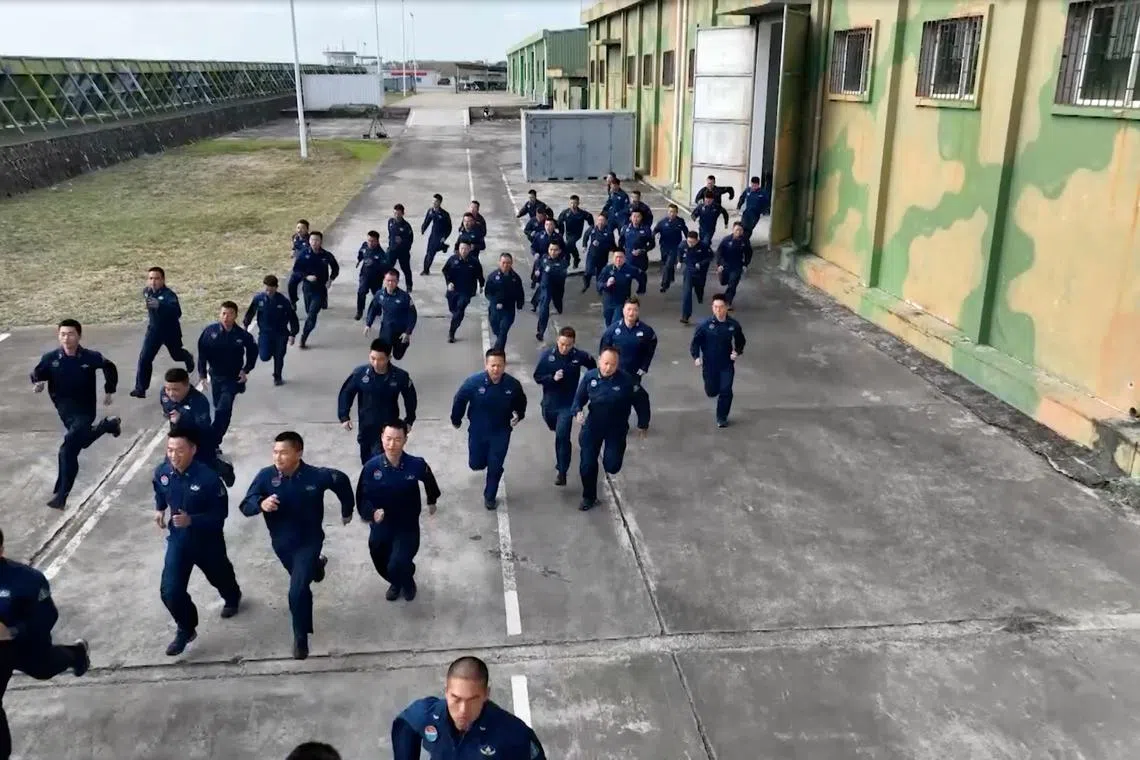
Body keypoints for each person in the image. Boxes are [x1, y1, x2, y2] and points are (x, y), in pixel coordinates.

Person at [239, 431, 354, 660]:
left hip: (309, 541)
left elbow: (340, 480)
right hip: (282, 544)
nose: (278, 457)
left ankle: (300, 636)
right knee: (302, 579)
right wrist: (261, 503)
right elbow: (245, 504)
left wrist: (347, 510)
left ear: (298, 453)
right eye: (275, 452)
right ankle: (316, 567)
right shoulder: (266, 477)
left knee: (297, 590)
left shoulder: (315, 476)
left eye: (284, 453)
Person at [0, 527, 90, 760]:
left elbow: (48, 616)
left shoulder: (27, 580)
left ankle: (76, 654)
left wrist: (12, 631)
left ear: (0, 550)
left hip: (25, 644)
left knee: (43, 669)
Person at [152, 427, 243, 656]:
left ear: (193, 450)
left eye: (179, 450)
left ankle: (232, 596)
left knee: (219, 575)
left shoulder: (209, 479)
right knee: (170, 591)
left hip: (207, 541)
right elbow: (160, 490)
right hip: (179, 540)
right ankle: (186, 627)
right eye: (170, 450)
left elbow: (220, 514)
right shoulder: (163, 472)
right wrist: (160, 509)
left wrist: (192, 520)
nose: (174, 455)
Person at [30, 319, 122, 510]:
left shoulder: (90, 357)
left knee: (68, 449)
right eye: (62, 334)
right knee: (82, 441)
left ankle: (62, 495)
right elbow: (37, 373)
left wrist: (109, 390)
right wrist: (38, 383)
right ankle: (108, 425)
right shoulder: (51, 358)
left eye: (70, 334)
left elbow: (109, 367)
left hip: (85, 410)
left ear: (79, 336)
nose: (66, 338)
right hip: (65, 411)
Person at [392, 656, 546, 760]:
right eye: (456, 698)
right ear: (446, 691)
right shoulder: (428, 716)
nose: (463, 710)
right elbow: (406, 725)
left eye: (472, 700)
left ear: (486, 694)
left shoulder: (513, 734)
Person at [355, 419, 441, 601]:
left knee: (397, 562)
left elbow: (429, 479)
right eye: (388, 439)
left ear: (405, 440)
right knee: (381, 560)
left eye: (397, 439)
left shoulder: (415, 464)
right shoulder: (372, 467)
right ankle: (400, 579)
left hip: (406, 525)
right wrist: (371, 513)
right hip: (381, 525)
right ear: (382, 438)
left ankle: (405, 582)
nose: (392, 444)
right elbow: (362, 496)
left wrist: (431, 499)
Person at [451, 349, 527, 510]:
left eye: (499, 365)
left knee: (495, 464)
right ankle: (484, 462)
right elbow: (460, 399)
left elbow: (521, 403)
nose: (496, 369)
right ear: (486, 365)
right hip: (478, 431)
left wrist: (518, 415)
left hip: (501, 431)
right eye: (492, 365)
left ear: (504, 366)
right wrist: (456, 419)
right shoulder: (473, 382)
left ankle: (490, 496)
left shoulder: (512, 385)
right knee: (476, 464)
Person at [571, 346, 636, 511]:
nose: (608, 368)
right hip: (593, 426)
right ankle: (589, 497)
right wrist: (577, 411)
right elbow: (578, 399)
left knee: (612, 466)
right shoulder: (589, 377)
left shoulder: (626, 380)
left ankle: (614, 458)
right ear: (599, 361)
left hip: (616, 428)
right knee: (587, 464)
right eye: (605, 363)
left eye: (612, 365)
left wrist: (643, 422)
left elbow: (641, 400)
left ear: (617, 365)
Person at [338, 339, 418, 465]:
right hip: (366, 426)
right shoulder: (360, 374)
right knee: (367, 461)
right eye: (372, 358)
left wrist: (409, 420)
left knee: (383, 462)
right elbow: (347, 392)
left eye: (380, 359)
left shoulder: (400, 376)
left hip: (388, 427)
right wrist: (344, 416)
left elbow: (410, 398)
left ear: (389, 358)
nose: (376, 363)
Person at [533, 326, 596, 486]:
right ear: (557, 341)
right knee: (553, 427)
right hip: (550, 402)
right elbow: (537, 377)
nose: (564, 348)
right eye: (562, 344)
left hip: (568, 404)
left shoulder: (579, 356)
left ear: (573, 343)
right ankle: (561, 464)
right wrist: (552, 378)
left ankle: (562, 470)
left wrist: (589, 385)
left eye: (568, 345)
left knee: (562, 436)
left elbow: (593, 368)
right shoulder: (548, 356)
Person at [158, 368, 236, 487]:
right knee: (170, 468)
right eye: (168, 389)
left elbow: (203, 427)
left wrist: (182, 418)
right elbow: (167, 409)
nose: (171, 393)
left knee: (206, 468)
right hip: (179, 441)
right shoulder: (164, 394)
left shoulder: (199, 401)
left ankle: (224, 468)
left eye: (175, 389)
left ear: (186, 385)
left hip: (199, 442)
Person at [196, 301, 257, 448]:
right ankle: (215, 438)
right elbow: (202, 353)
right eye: (223, 313)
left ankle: (213, 442)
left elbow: (253, 351)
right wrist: (202, 375)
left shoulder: (241, 335)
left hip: (232, 378)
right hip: (216, 376)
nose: (226, 317)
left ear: (235, 315)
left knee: (224, 408)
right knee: (219, 408)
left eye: (230, 314)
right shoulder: (210, 332)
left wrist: (246, 369)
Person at [130, 266, 194, 398]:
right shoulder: (147, 292)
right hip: (154, 331)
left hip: (170, 331)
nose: (153, 281)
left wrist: (160, 306)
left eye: (157, 278)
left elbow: (177, 312)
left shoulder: (169, 295)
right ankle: (141, 388)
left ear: (163, 280)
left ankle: (187, 357)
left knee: (176, 355)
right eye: (151, 278)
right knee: (145, 358)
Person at [598, 298, 656, 436]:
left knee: (639, 398)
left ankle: (643, 424)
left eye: (635, 310)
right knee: (617, 401)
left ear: (638, 311)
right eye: (629, 309)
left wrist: (644, 366)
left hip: (634, 375)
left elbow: (651, 346)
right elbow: (603, 350)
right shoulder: (613, 330)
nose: (631, 313)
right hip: (616, 373)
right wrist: (603, 368)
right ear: (623, 310)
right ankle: (617, 425)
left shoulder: (646, 331)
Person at [690, 293, 747, 428]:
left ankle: (722, 417)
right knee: (712, 391)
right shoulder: (705, 325)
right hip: (709, 365)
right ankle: (711, 389)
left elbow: (741, 341)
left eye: (721, 307)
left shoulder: (733, 325)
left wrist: (737, 351)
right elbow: (695, 343)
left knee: (726, 390)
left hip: (726, 363)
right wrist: (696, 357)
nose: (718, 310)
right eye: (715, 307)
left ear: (727, 307)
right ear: (712, 308)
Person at [242, 274, 300, 386]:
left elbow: (293, 318)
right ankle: (269, 350)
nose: (268, 292)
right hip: (265, 333)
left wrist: (293, 334)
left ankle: (277, 376)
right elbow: (251, 312)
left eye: (270, 289)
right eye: (266, 289)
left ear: (276, 287)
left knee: (279, 356)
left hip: (281, 334)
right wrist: (245, 325)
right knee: (264, 356)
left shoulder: (283, 301)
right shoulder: (258, 299)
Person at [364, 269, 418, 360]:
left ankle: (404, 343)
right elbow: (373, 308)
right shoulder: (380, 294)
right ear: (384, 280)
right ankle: (385, 371)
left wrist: (408, 332)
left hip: (400, 330)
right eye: (388, 280)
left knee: (398, 356)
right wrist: (368, 324)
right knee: (383, 354)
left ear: (397, 282)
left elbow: (413, 315)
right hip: (386, 329)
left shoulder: (404, 297)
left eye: (393, 281)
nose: (390, 283)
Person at [442, 241, 486, 344]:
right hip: (453, 290)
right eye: (462, 248)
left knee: (460, 308)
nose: (463, 251)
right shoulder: (453, 259)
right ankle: (456, 318)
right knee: (454, 310)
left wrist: (481, 286)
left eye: (466, 248)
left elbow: (480, 275)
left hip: (467, 291)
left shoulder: (474, 262)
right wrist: (448, 283)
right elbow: (445, 270)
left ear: (470, 249)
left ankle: (451, 333)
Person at [483, 252, 526, 352]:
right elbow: (488, 292)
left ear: (511, 263)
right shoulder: (493, 276)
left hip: (509, 309)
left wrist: (520, 303)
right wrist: (495, 301)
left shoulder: (515, 278)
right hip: (495, 309)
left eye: (508, 263)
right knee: (497, 330)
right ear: (499, 263)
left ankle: (498, 352)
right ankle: (500, 345)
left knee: (503, 330)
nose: (506, 265)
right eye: (503, 263)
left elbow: (520, 292)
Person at [596, 250, 646, 326]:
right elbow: (599, 284)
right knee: (608, 323)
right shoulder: (607, 269)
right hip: (608, 301)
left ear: (624, 258)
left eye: (621, 257)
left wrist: (640, 290)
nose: (618, 259)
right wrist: (607, 284)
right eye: (616, 257)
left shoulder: (630, 269)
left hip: (622, 302)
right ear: (613, 258)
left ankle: (617, 336)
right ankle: (609, 336)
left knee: (616, 322)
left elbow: (642, 277)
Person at [534, 242, 568, 343]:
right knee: (544, 308)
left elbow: (561, 275)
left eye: (555, 250)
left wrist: (550, 270)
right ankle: (541, 331)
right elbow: (538, 263)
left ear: (559, 251)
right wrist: (537, 270)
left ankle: (559, 308)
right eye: (551, 249)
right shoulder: (544, 258)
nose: (552, 252)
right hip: (546, 288)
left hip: (556, 288)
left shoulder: (562, 263)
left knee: (558, 303)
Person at [715, 221, 753, 308]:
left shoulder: (745, 241)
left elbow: (749, 253)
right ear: (733, 230)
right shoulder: (726, 240)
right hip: (725, 264)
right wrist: (720, 264)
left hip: (737, 265)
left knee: (733, 283)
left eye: (740, 230)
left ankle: (728, 302)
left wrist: (745, 264)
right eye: (736, 230)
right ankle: (725, 295)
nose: (738, 232)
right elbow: (719, 252)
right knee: (724, 282)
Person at [679, 230, 714, 325]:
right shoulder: (683, 245)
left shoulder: (704, 246)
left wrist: (701, 264)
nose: (690, 244)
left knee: (699, 287)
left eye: (692, 242)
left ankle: (700, 295)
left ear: (697, 240)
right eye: (688, 241)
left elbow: (710, 257)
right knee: (687, 293)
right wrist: (679, 261)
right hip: (689, 271)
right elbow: (680, 253)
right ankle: (685, 316)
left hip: (700, 272)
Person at [355, 230, 390, 321]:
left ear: (377, 241)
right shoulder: (364, 245)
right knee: (361, 292)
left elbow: (386, 268)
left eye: (372, 241)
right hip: (364, 276)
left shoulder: (381, 254)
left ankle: (377, 309)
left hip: (376, 278)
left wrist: (386, 279)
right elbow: (361, 253)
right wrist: (359, 260)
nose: (370, 243)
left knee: (377, 295)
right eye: (369, 240)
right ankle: (359, 311)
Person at [653, 204, 689, 293]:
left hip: (675, 247)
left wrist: (688, 243)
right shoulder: (662, 222)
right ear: (668, 212)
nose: (672, 214)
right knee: (666, 264)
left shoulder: (680, 221)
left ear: (677, 213)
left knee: (668, 265)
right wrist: (654, 235)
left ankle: (664, 284)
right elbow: (655, 230)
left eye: (674, 212)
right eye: (670, 212)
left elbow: (686, 232)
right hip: (664, 246)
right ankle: (671, 276)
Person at [580, 210, 615, 292]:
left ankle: (599, 289)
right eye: (599, 220)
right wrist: (584, 245)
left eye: (602, 220)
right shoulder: (592, 229)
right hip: (591, 255)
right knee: (588, 272)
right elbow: (585, 236)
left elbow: (612, 246)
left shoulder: (609, 232)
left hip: (603, 257)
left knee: (600, 275)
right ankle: (586, 284)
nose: (600, 222)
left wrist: (601, 245)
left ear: (606, 222)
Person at [556, 194, 592, 268]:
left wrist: (591, 226)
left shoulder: (582, 213)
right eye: (571, 203)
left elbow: (590, 218)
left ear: (578, 203)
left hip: (577, 234)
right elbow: (559, 222)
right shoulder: (565, 213)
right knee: (571, 245)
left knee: (568, 246)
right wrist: (560, 232)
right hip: (568, 233)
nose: (573, 205)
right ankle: (577, 258)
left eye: (575, 203)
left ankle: (566, 260)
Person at [421, 194, 453, 275]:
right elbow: (427, 220)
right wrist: (423, 228)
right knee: (429, 251)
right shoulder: (431, 211)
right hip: (433, 235)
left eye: (436, 201)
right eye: (433, 201)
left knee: (431, 253)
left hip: (440, 236)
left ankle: (426, 270)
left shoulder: (444, 214)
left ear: (440, 202)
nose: (434, 203)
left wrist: (444, 237)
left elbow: (449, 228)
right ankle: (444, 246)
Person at [388, 204, 416, 291]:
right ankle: (386, 284)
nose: (396, 215)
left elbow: (410, 239)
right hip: (392, 250)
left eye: (399, 213)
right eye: (395, 213)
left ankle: (409, 285)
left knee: (406, 269)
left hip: (403, 252)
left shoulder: (406, 226)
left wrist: (403, 242)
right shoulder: (390, 222)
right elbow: (390, 234)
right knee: (387, 267)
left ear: (403, 214)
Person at [736, 175, 770, 239]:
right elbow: (742, 198)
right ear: (751, 183)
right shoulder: (748, 190)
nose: (753, 187)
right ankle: (741, 241)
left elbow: (767, 203)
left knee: (749, 229)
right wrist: (738, 206)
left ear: (758, 185)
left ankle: (745, 241)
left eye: (755, 185)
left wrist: (764, 211)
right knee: (742, 227)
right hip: (746, 213)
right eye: (752, 185)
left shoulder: (762, 193)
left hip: (755, 215)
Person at [286, 218, 311, 304]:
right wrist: (293, 252)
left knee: (308, 288)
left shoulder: (310, 240)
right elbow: (295, 246)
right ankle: (293, 302)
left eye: (302, 228)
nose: (299, 230)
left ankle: (321, 299)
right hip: (299, 267)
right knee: (291, 284)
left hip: (309, 268)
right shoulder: (295, 237)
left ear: (307, 230)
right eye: (298, 228)